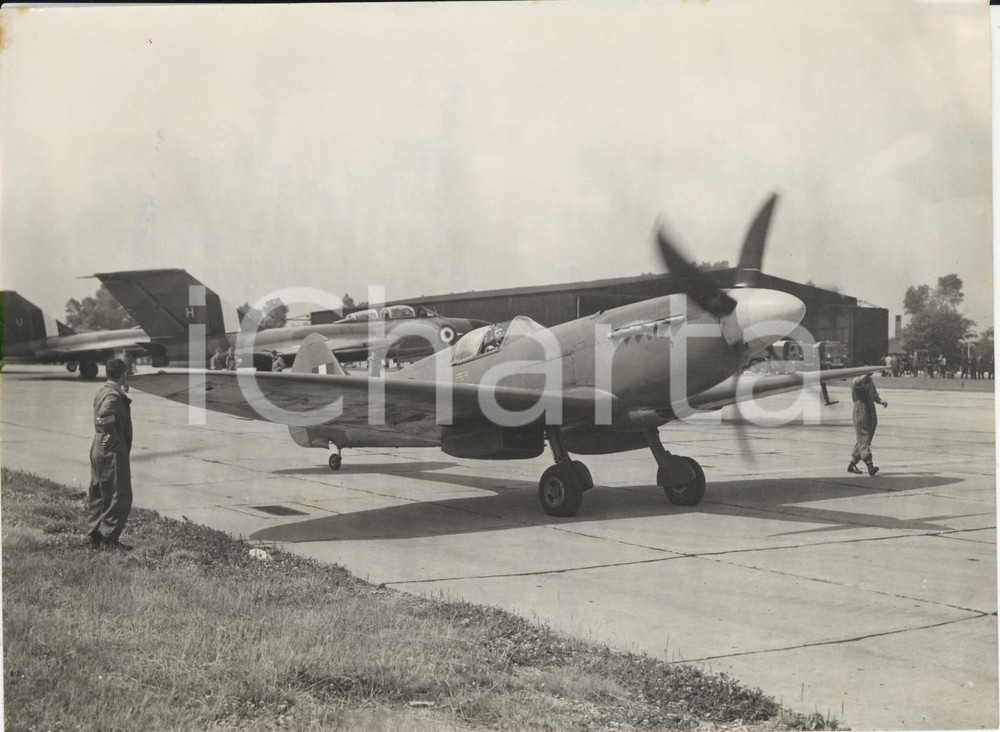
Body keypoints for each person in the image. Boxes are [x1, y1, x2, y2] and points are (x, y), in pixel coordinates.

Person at [87, 358, 134, 551]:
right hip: (111, 449)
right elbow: (105, 416)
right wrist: (113, 436)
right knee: (119, 494)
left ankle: (96, 535)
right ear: (123, 374)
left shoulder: (103, 391)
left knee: (99, 491)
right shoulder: (113, 396)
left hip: (99, 446)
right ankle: (109, 539)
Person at [848, 373, 887, 477]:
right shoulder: (856, 380)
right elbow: (858, 383)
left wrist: (881, 401)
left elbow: (875, 396)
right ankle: (870, 465)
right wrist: (866, 373)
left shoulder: (869, 381)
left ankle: (852, 463)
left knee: (864, 439)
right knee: (864, 437)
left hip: (870, 410)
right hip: (861, 410)